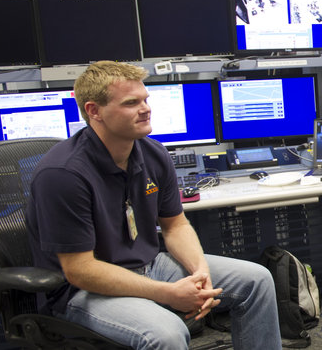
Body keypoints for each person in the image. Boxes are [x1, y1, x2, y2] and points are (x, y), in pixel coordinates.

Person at [26, 61, 283, 349]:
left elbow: (175, 225)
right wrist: (167, 293)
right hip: (84, 290)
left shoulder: (152, 153)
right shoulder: (63, 175)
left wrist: (200, 272)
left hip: (149, 265)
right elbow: (80, 270)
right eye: (131, 102)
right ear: (94, 111)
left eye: (146, 99)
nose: (145, 108)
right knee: (167, 334)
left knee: (257, 281)